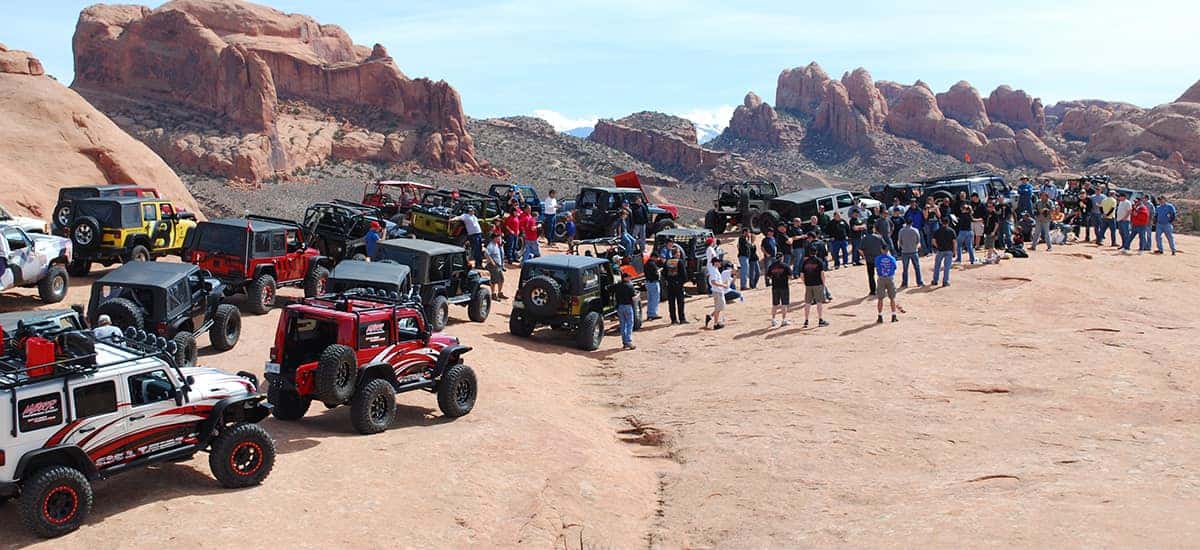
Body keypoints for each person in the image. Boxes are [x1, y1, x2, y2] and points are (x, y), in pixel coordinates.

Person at [799, 248, 828, 328]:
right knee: (819, 302)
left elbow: (801, 275)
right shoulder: (819, 261)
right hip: (817, 283)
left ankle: (806, 320)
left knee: (807, 303)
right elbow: (822, 274)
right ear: (816, 252)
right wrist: (823, 283)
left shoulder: (805, 262)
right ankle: (820, 320)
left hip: (808, 284)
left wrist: (805, 282)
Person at [662, 245, 689, 324]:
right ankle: (682, 319)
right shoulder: (679, 262)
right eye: (679, 252)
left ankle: (673, 320)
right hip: (678, 284)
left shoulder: (667, 261)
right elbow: (684, 274)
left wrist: (669, 280)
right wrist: (683, 281)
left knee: (671, 303)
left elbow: (664, 273)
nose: (679, 254)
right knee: (680, 302)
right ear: (676, 253)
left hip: (670, 284)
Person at [874, 245, 901, 324]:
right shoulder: (892, 258)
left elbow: (877, 266)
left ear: (882, 250)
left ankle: (880, 316)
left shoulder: (878, 258)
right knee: (892, 298)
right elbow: (895, 267)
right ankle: (893, 315)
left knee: (880, 298)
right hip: (890, 278)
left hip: (881, 278)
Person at [897, 218, 924, 287]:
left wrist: (902, 247)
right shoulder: (915, 230)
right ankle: (919, 282)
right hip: (914, 251)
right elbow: (918, 241)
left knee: (905, 268)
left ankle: (905, 283)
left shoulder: (901, 231)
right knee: (917, 267)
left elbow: (900, 241)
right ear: (912, 223)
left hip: (905, 251)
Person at [766, 254, 791, 328]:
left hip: (775, 287)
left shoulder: (771, 266)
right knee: (784, 304)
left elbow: (768, 276)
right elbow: (790, 276)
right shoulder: (785, 266)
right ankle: (784, 320)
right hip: (784, 286)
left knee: (775, 304)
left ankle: (773, 319)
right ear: (782, 258)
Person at [615, 270, 638, 350]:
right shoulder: (630, 286)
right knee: (629, 324)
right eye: (629, 277)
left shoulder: (618, 285)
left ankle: (624, 342)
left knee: (622, 325)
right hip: (627, 306)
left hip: (620, 306)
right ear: (626, 278)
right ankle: (628, 341)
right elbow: (633, 297)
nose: (630, 278)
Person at [860, 225, 886, 296]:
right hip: (879, 258)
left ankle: (873, 291)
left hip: (869, 259)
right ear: (873, 229)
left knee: (871, 276)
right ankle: (882, 288)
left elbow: (860, 249)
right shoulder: (879, 237)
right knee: (882, 274)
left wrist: (864, 256)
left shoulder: (864, 239)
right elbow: (885, 247)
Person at [704, 256, 729, 330]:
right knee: (719, 308)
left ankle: (711, 317)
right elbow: (713, 282)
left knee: (719, 307)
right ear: (715, 263)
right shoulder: (714, 271)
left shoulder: (715, 269)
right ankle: (715, 324)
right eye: (719, 262)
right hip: (717, 291)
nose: (720, 263)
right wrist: (723, 285)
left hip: (717, 291)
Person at [931, 218, 956, 286]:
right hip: (949, 250)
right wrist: (954, 251)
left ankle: (935, 280)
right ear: (948, 223)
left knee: (937, 266)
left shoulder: (937, 231)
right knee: (947, 267)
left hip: (940, 250)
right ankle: (945, 281)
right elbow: (954, 242)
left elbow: (933, 241)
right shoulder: (951, 231)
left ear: (941, 223)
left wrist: (937, 246)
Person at [484, 234, 507, 300]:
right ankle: (493, 294)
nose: (499, 239)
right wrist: (492, 262)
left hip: (498, 265)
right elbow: (486, 254)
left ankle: (499, 293)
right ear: (494, 238)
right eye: (498, 238)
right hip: (493, 266)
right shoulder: (490, 246)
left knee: (501, 279)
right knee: (494, 280)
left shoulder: (497, 244)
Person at [644, 255, 661, 320]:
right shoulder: (653, 264)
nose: (657, 259)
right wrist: (659, 272)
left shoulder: (646, 264)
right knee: (655, 299)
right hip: (653, 282)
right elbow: (656, 275)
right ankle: (653, 314)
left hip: (648, 283)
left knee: (650, 299)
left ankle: (649, 314)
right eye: (656, 257)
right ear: (653, 257)